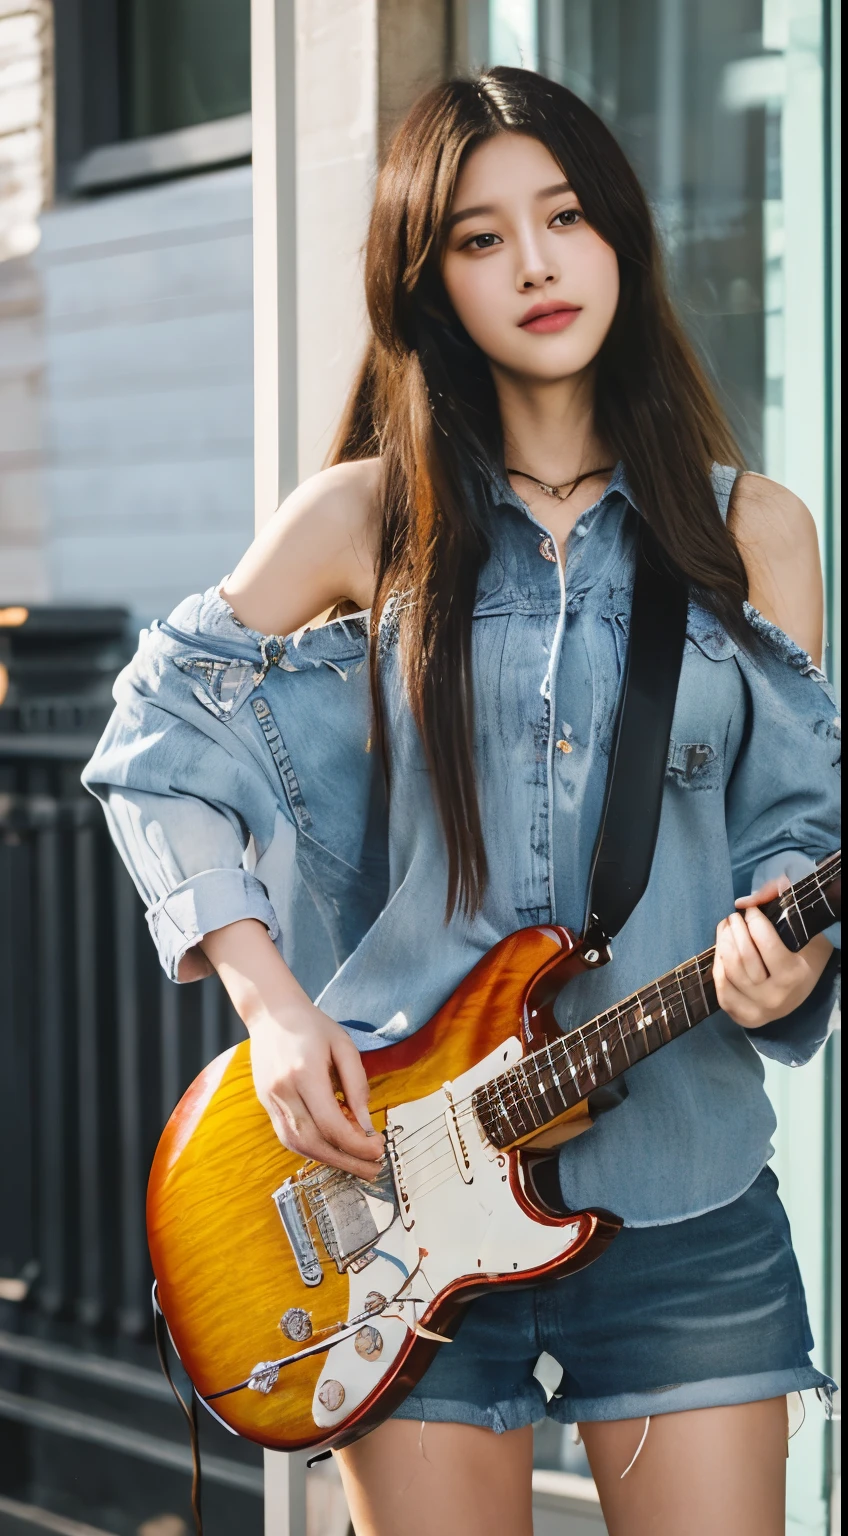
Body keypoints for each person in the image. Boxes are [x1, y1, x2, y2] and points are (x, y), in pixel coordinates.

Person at [83, 69, 840, 1536]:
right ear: (427, 280)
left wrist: (786, 952)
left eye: (565, 218)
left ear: (620, 235)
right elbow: (155, 738)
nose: (539, 264)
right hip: (395, 1206)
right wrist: (271, 1004)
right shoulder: (363, 523)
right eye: (482, 238)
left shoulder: (754, 532)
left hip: (688, 1208)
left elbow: (795, 834)